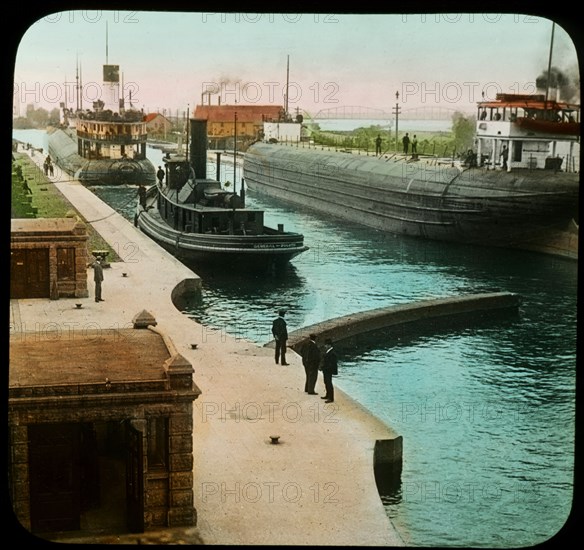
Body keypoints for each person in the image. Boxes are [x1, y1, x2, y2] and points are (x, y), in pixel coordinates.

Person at [320, 338, 338, 403]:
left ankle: (331, 397)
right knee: (326, 382)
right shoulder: (329, 352)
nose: (325, 346)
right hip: (326, 370)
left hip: (328, 370)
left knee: (329, 383)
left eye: (326, 345)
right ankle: (328, 395)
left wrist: (324, 368)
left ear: (329, 345)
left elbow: (331, 364)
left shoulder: (332, 353)